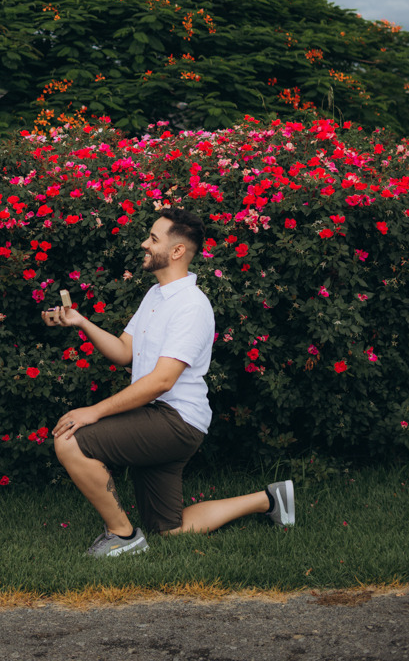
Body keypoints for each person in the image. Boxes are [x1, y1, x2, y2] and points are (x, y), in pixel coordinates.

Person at [43, 207, 294, 557]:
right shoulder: (156, 296)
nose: (145, 244)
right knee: (169, 528)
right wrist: (81, 322)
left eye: (153, 239)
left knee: (71, 440)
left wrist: (94, 412)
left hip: (175, 421)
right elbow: (123, 351)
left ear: (176, 251)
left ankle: (123, 536)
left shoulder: (191, 306)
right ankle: (269, 499)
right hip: (159, 417)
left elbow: (162, 381)